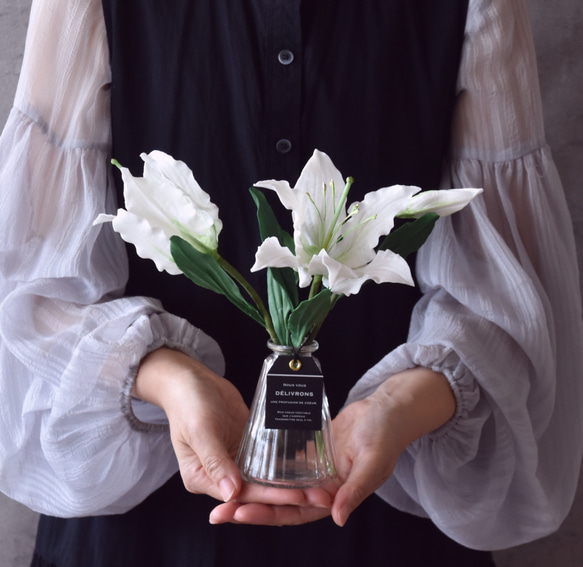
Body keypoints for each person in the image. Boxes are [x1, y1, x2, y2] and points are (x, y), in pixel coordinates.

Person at [0, 0, 581, 565]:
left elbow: (506, 303)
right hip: (144, 520)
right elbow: (34, 295)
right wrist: (169, 382)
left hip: (380, 503)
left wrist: (400, 406)